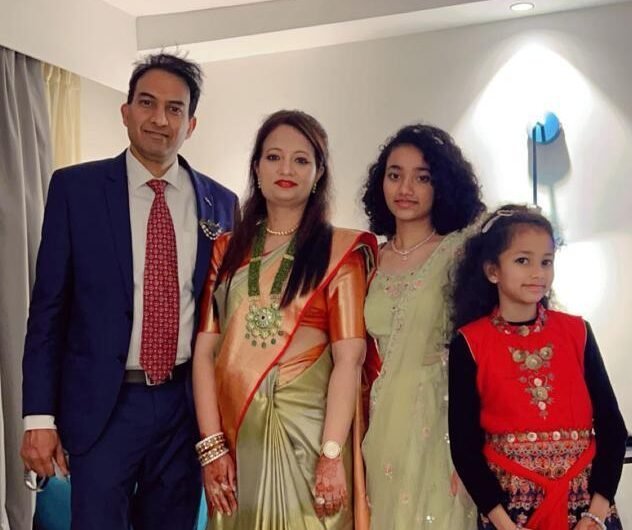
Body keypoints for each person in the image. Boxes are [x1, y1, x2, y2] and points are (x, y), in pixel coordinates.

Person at [20, 53, 238, 530]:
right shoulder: (75, 190)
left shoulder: (221, 204)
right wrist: (38, 417)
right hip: (103, 405)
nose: (160, 119)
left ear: (191, 124)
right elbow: (48, 312)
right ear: (126, 111)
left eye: (175, 109)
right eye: (147, 103)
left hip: (184, 407)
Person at [192, 109, 377, 530]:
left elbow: (349, 360)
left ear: (319, 173)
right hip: (239, 434)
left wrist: (332, 454)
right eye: (274, 157)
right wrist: (212, 447)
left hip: (311, 438)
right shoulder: (226, 249)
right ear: (256, 167)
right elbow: (205, 353)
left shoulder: (339, 252)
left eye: (301, 160)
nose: (286, 169)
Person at [448, 205, 627, 530]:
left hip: (586, 512)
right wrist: (503, 524)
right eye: (523, 261)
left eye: (546, 262)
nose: (538, 273)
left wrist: (597, 512)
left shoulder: (577, 332)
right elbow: (465, 447)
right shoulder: (470, 343)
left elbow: (613, 428)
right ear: (492, 271)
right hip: (511, 515)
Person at [360, 124, 484, 528]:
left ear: (442, 184)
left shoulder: (461, 253)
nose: (405, 188)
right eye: (395, 175)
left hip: (444, 419)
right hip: (382, 421)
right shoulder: (368, 258)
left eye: (422, 177)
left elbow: (485, 344)